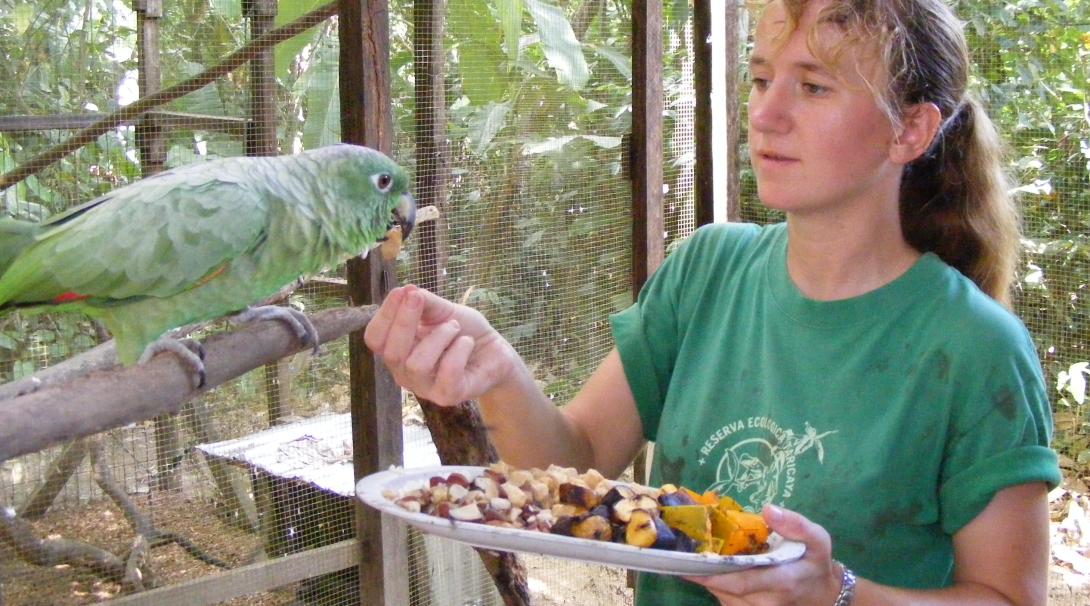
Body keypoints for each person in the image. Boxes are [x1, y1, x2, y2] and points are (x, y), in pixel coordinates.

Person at [365, 0, 1061, 603]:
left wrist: (835, 595)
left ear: (909, 130)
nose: (768, 113)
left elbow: (1008, 597)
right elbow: (575, 463)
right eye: (760, 79)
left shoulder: (975, 347)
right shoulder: (708, 271)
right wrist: (499, 371)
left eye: (813, 88)